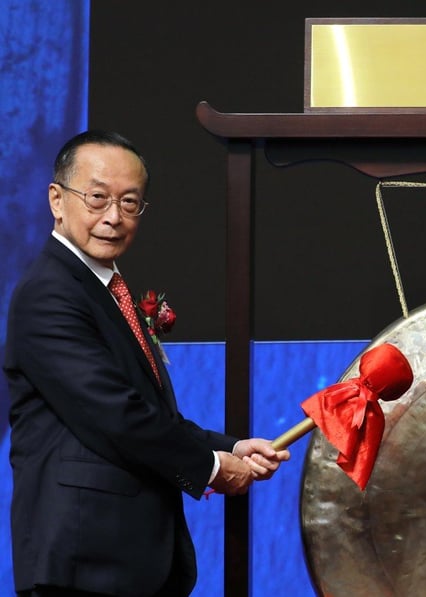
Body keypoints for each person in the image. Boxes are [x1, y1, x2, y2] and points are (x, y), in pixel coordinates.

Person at [4, 131, 291, 596]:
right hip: (84, 562)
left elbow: (146, 412)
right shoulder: (49, 294)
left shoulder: (103, 288)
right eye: (97, 198)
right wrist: (211, 467)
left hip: (124, 561)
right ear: (57, 200)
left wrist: (230, 447)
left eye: (130, 202)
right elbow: (116, 414)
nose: (113, 217)